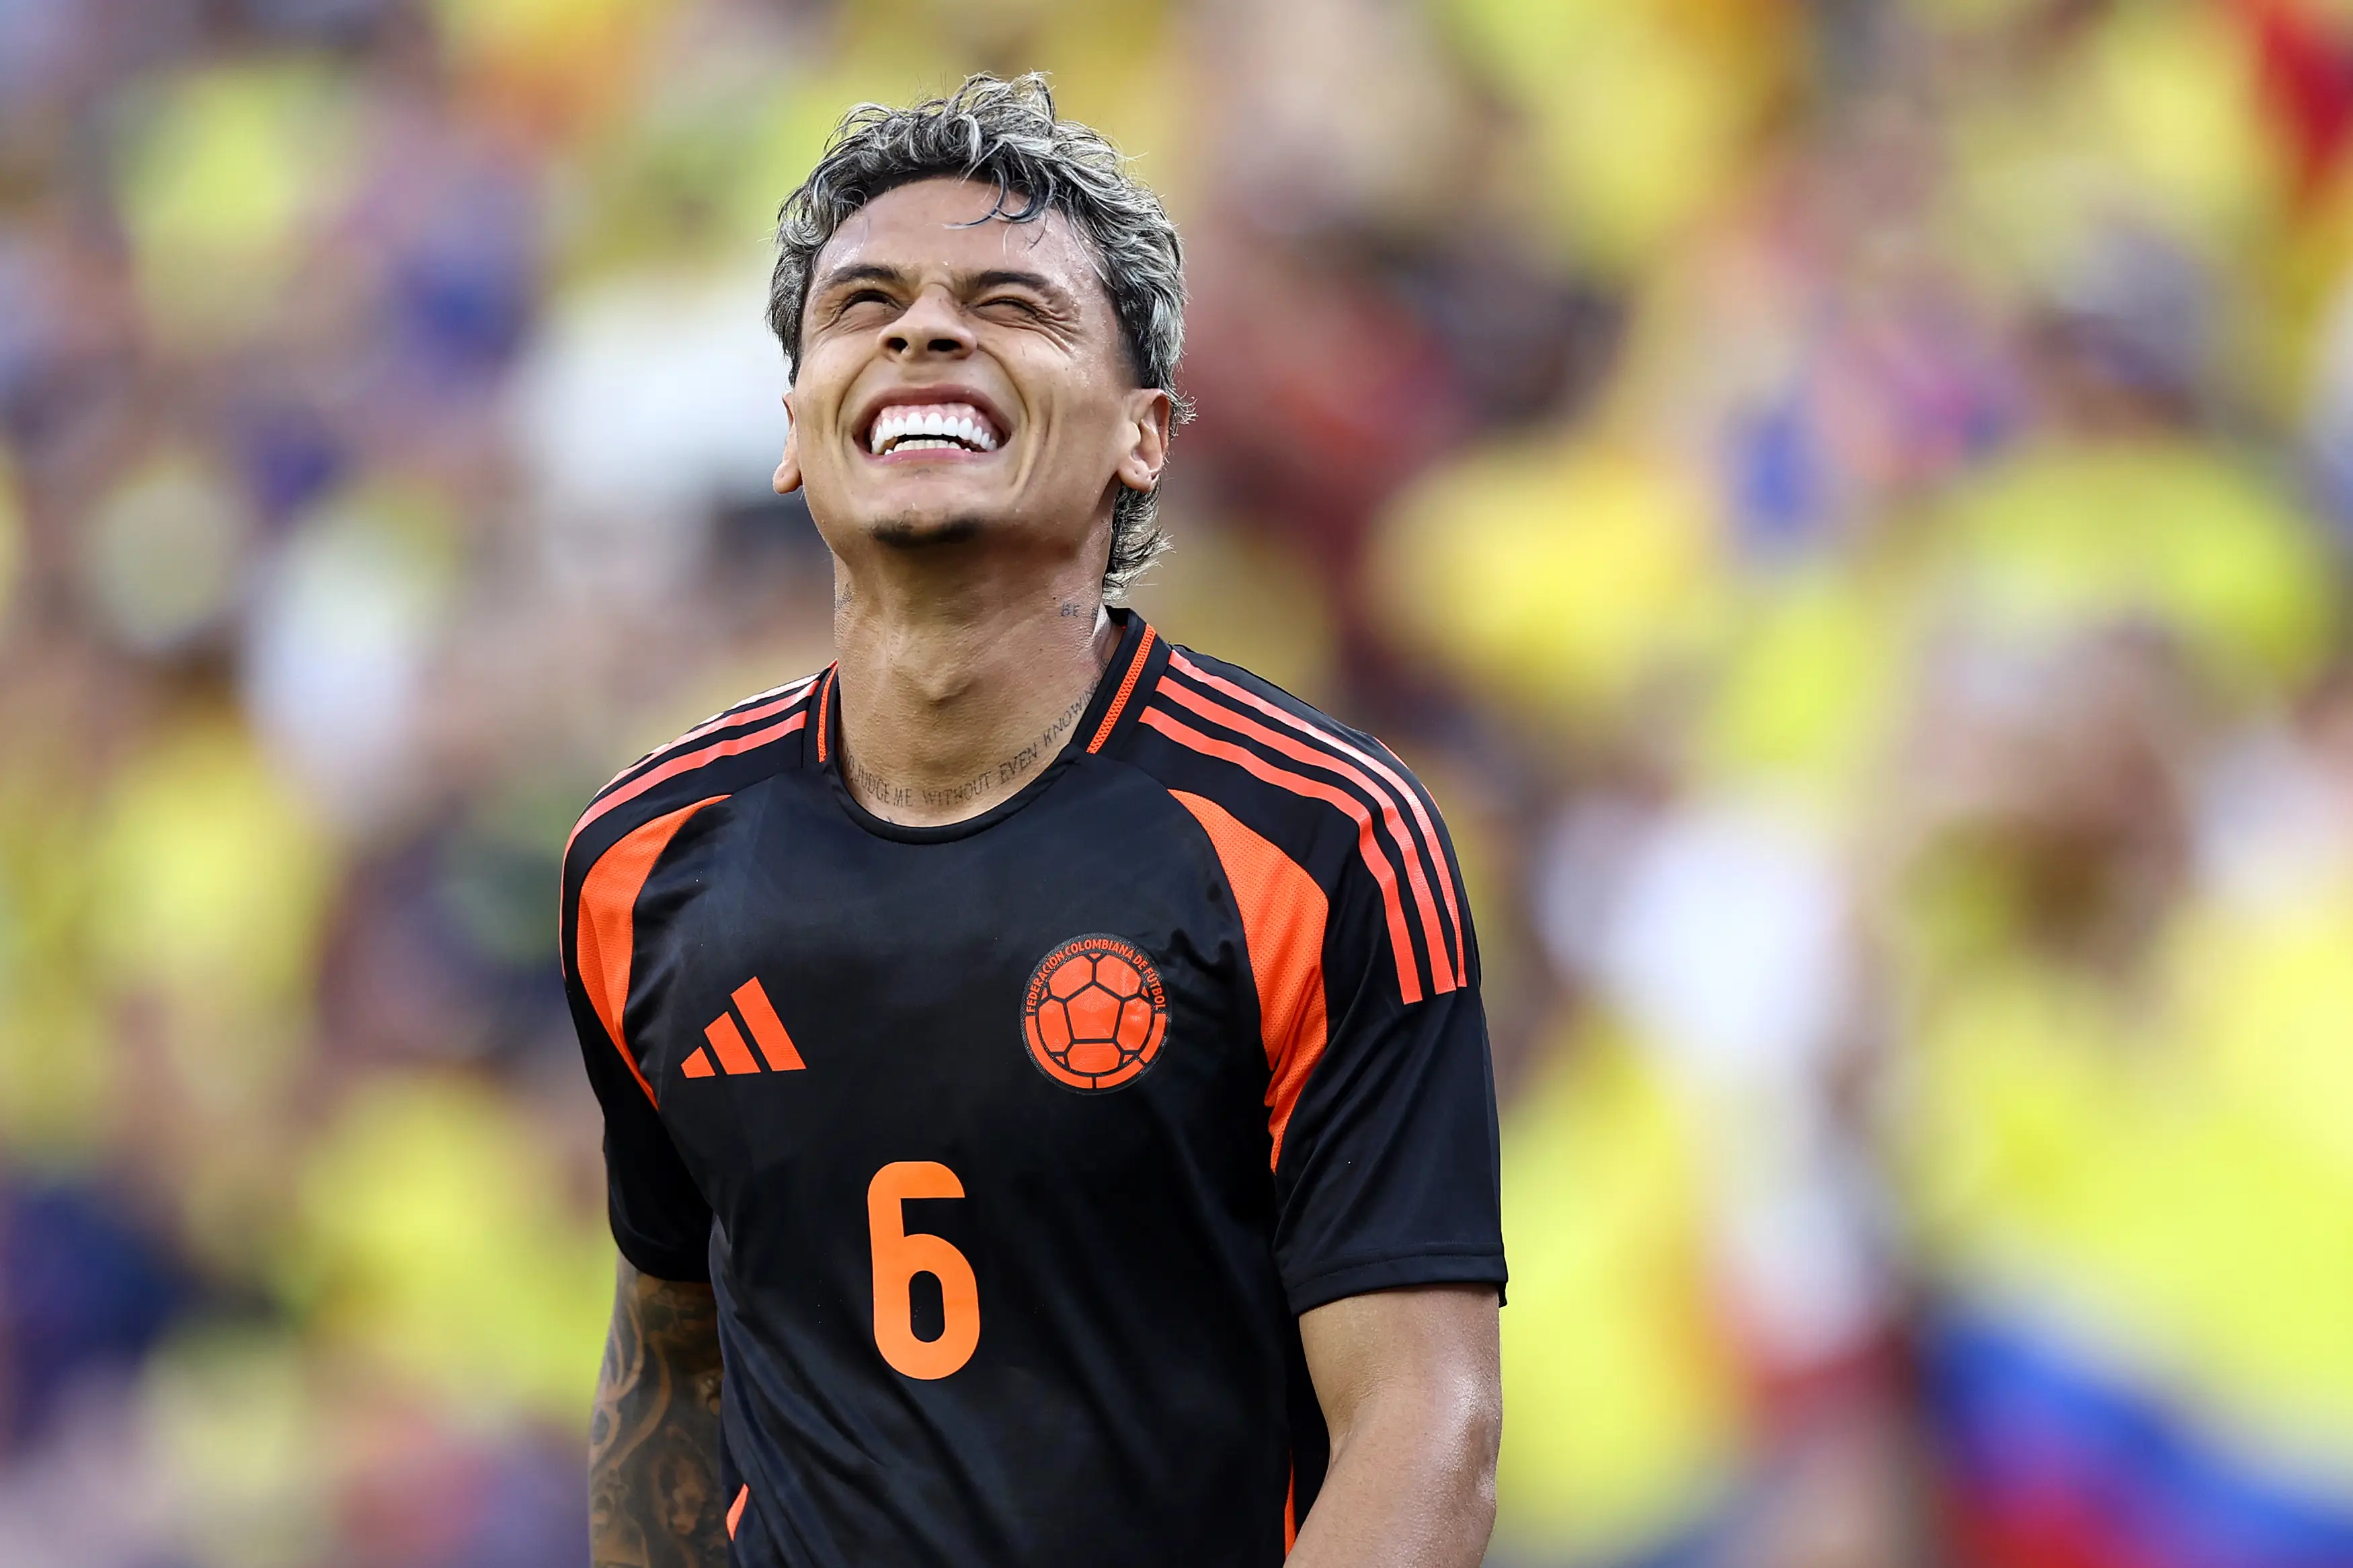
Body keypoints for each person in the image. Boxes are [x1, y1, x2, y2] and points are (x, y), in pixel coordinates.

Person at [561, 74, 1504, 1568]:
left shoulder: (1322, 839)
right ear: (794, 430)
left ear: (1144, 434)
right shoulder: (641, 857)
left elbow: (1424, 1421)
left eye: (1010, 304)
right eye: (863, 304)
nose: (922, 332)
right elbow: (671, 1358)